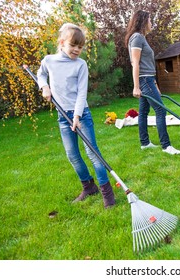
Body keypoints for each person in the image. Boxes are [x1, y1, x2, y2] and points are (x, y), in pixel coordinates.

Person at [37, 23, 116, 208]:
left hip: (81, 114)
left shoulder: (81, 65)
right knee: (72, 154)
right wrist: (44, 86)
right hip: (62, 114)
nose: (77, 50)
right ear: (62, 42)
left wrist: (77, 116)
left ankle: (107, 193)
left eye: (80, 47)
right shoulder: (49, 61)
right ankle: (88, 187)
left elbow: (82, 93)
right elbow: (41, 75)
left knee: (92, 153)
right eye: (73, 45)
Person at [125, 10, 180, 155]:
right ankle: (166, 146)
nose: (152, 23)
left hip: (148, 79)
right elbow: (135, 63)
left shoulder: (141, 38)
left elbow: (147, 64)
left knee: (143, 112)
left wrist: (155, 84)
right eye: (150, 20)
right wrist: (136, 86)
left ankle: (145, 143)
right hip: (144, 79)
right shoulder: (137, 37)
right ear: (143, 21)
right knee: (160, 110)